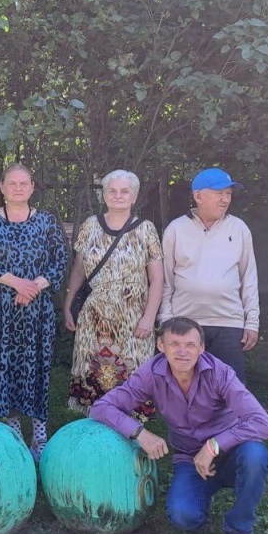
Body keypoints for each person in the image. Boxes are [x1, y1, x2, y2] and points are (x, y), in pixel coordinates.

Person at [91, 317, 268, 534]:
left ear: (202, 348)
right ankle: (202, 496)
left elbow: (263, 423)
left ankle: (237, 533)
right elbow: (101, 407)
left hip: (232, 454)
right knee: (183, 517)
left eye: (190, 345)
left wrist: (214, 446)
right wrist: (139, 433)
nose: (182, 352)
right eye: (175, 344)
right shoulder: (151, 373)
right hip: (189, 457)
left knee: (255, 455)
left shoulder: (220, 373)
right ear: (160, 345)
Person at [0, 164, 67, 460]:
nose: (18, 188)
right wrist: (16, 283)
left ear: (33, 186)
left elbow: (59, 262)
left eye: (23, 183)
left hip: (36, 313)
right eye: (11, 183)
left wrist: (33, 287)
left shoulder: (47, 222)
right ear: (1, 187)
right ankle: (12, 429)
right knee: (3, 366)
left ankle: (39, 433)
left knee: (36, 366)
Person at [64, 170, 164, 415]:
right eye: (112, 191)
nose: (118, 196)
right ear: (104, 195)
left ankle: (130, 438)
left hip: (133, 318)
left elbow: (157, 278)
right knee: (94, 373)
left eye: (124, 191)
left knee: (132, 375)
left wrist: (149, 318)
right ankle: (93, 433)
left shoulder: (145, 230)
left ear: (134, 196)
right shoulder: (90, 226)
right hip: (95, 317)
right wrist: (68, 305)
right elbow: (79, 270)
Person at [160, 167, 259, 384]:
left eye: (229, 194)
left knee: (231, 389)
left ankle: (234, 421)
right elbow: (165, 280)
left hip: (228, 323)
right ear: (198, 196)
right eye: (219, 193)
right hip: (184, 322)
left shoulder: (239, 228)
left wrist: (252, 322)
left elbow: (249, 278)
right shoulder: (176, 229)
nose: (225, 200)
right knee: (184, 388)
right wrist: (166, 320)